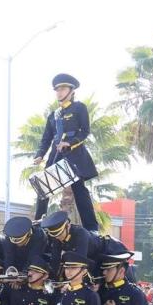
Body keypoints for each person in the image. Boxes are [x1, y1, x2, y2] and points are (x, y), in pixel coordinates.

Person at [33, 74, 99, 232]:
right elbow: (46, 139)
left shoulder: (79, 108)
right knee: (43, 188)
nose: (59, 92)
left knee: (79, 190)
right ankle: (37, 222)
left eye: (63, 89)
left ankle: (92, 228)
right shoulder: (53, 115)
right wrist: (40, 154)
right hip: (56, 156)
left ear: (71, 91)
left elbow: (85, 132)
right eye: (57, 90)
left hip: (74, 155)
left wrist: (69, 143)